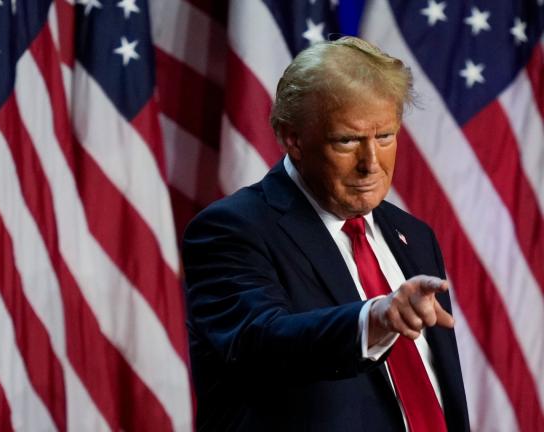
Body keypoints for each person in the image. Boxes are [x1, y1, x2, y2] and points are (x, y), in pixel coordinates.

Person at [182, 36, 470, 431]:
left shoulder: (414, 236)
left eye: (384, 136)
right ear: (293, 139)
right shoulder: (232, 229)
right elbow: (264, 341)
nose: (371, 163)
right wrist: (376, 318)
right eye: (347, 141)